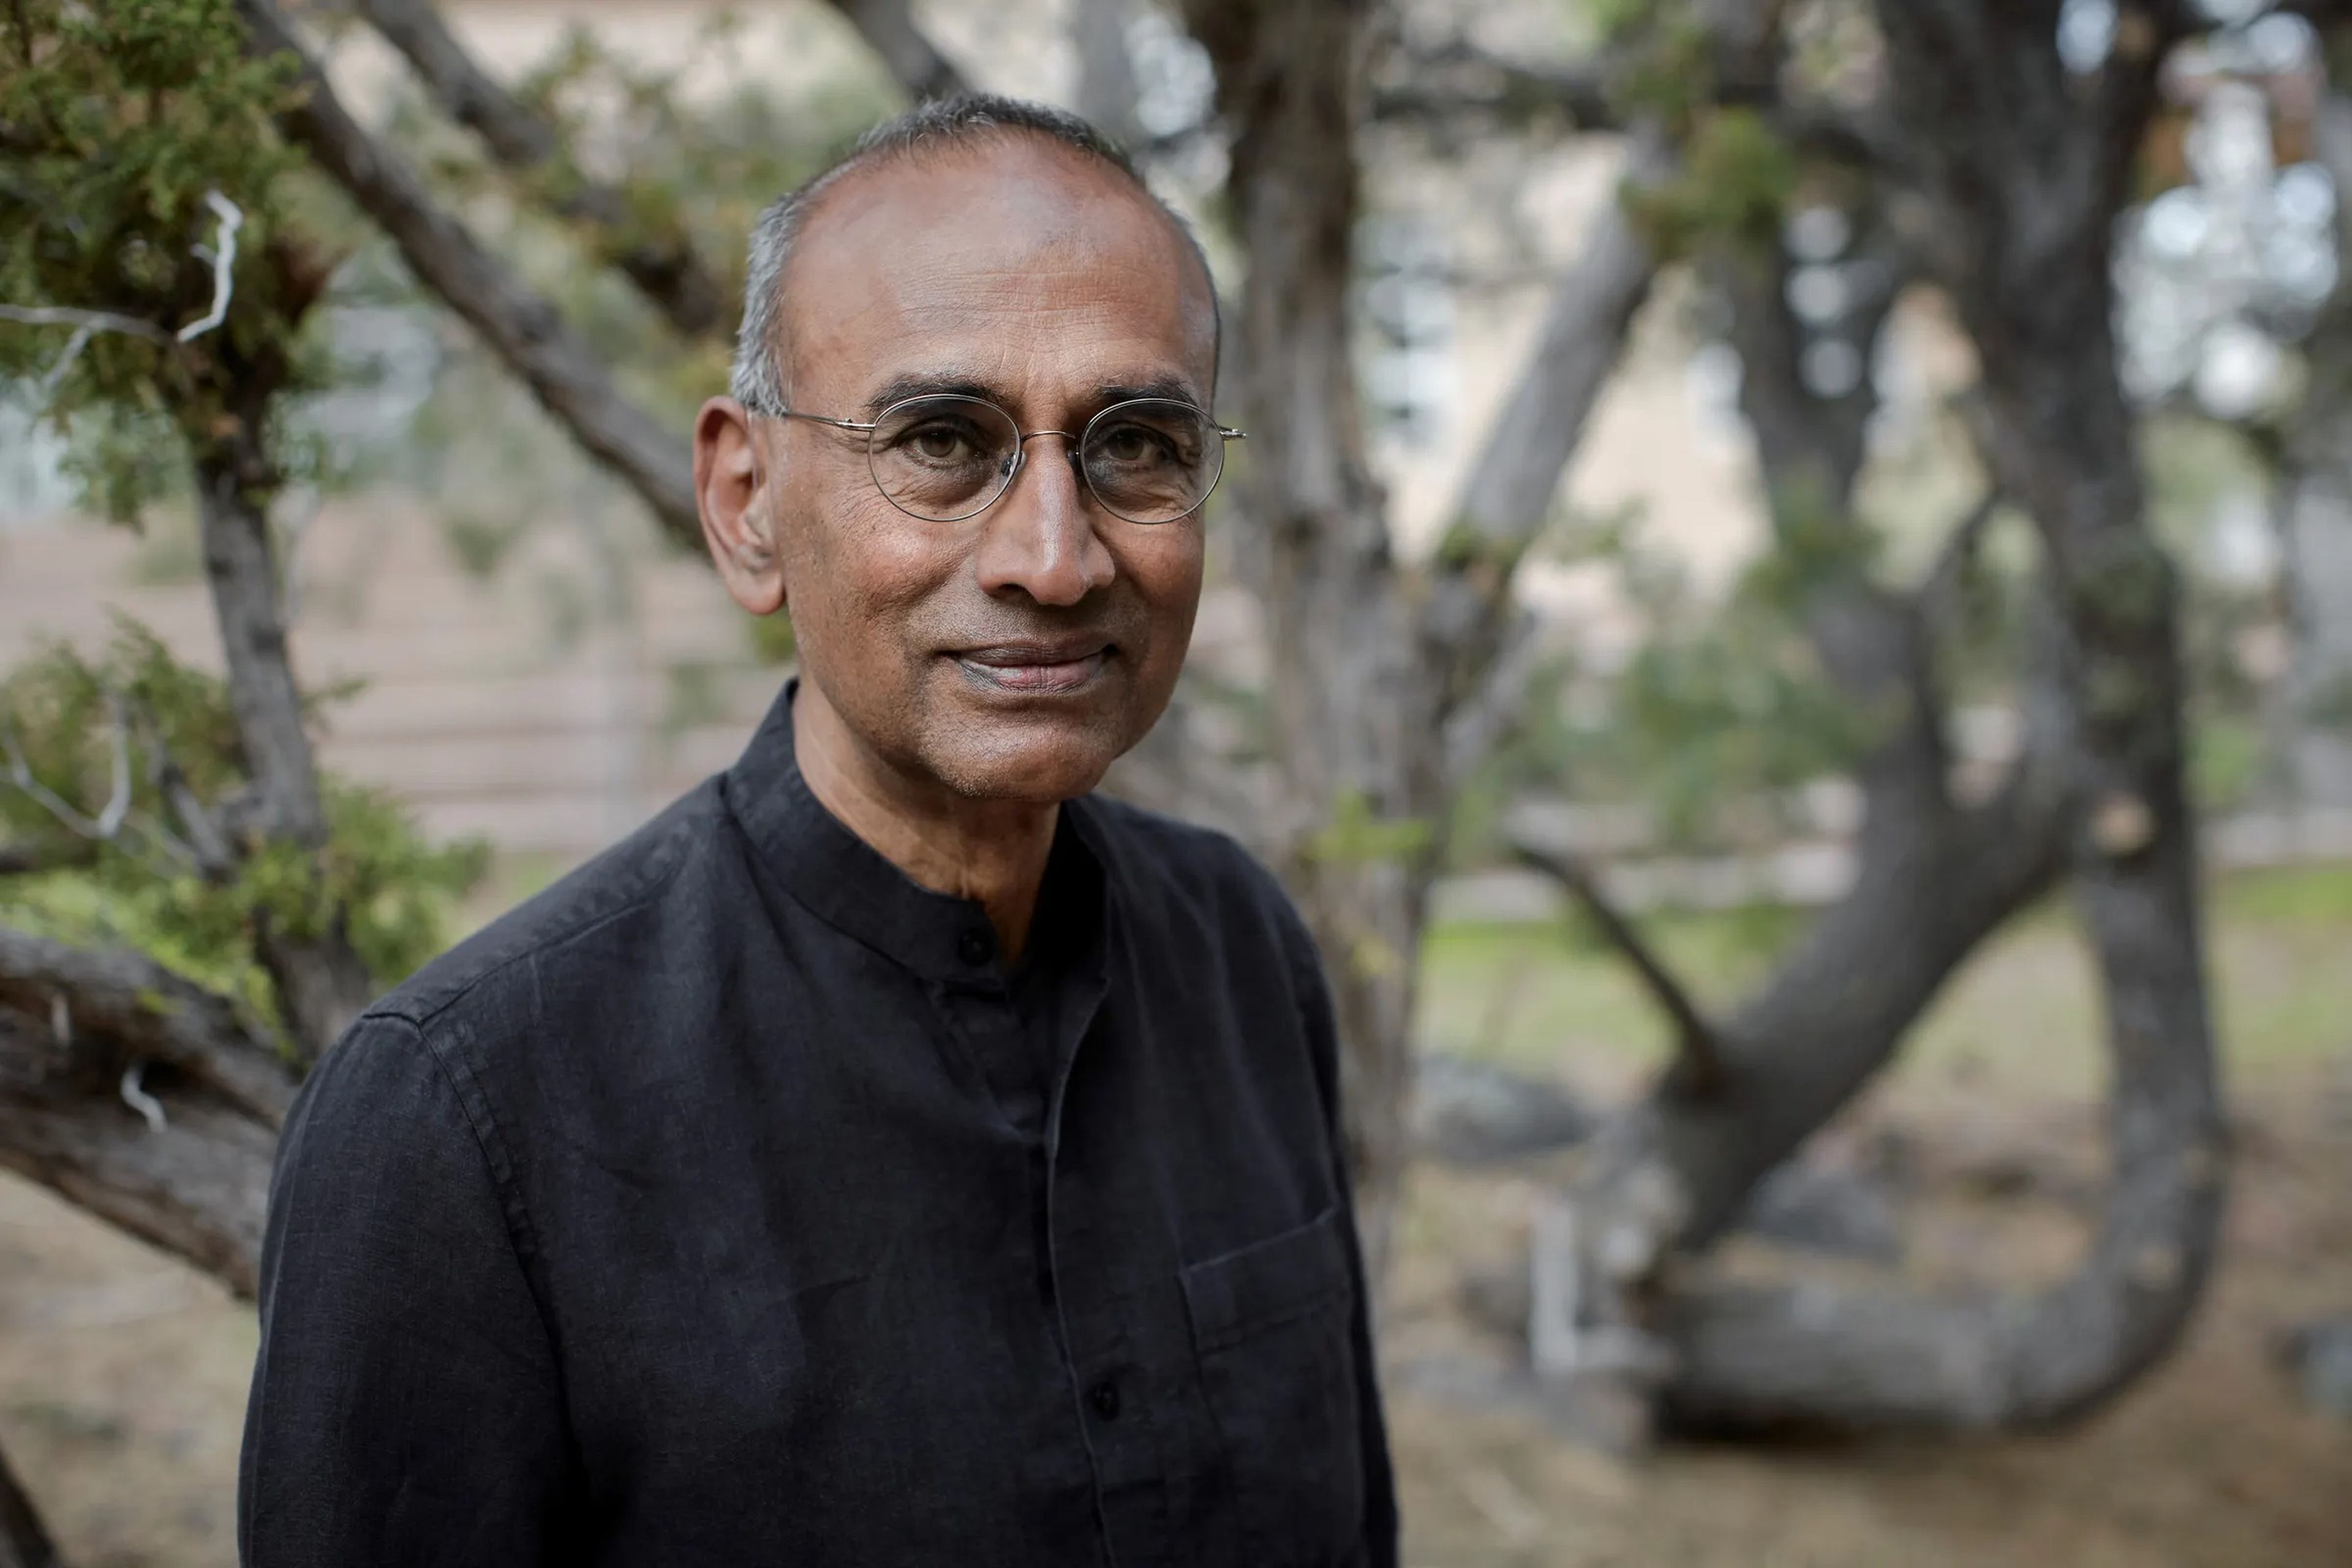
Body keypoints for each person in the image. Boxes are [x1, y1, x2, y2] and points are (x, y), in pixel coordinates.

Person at [237, 94, 1397, 1567]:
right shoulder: (466, 1116)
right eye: (941, 439)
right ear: (747, 504)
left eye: (1137, 444)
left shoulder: (1239, 950)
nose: (1055, 555)